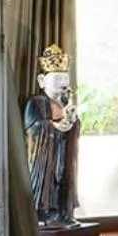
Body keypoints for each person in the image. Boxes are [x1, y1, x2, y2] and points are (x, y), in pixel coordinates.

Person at [24, 43, 80, 224]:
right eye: (57, 79)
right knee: (47, 180)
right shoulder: (36, 102)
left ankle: (63, 209)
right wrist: (52, 127)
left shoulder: (64, 103)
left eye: (64, 79)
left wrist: (72, 122)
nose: (62, 84)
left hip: (61, 152)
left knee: (62, 178)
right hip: (44, 155)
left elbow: (73, 126)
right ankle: (44, 211)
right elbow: (34, 128)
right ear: (42, 80)